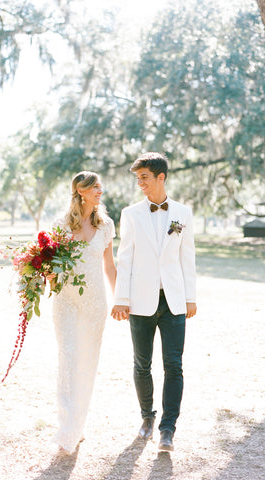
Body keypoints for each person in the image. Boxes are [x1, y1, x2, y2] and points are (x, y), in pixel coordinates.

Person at [111, 152, 197, 452]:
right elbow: (126, 257)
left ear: (161, 177)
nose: (140, 183)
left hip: (173, 302)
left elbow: (187, 257)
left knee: (174, 366)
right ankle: (147, 418)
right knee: (142, 365)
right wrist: (121, 298)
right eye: (137, 179)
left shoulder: (182, 214)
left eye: (144, 177)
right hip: (139, 301)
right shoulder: (131, 213)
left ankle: (168, 429)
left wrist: (190, 297)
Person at [52, 171, 116, 454]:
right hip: (65, 301)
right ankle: (67, 427)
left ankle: (78, 424)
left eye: (100, 186)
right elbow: (50, 264)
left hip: (95, 303)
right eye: (94, 187)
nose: (100, 190)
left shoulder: (106, 226)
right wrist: (46, 276)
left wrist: (120, 299)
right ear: (81, 191)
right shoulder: (62, 224)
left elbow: (109, 267)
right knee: (68, 357)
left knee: (88, 360)